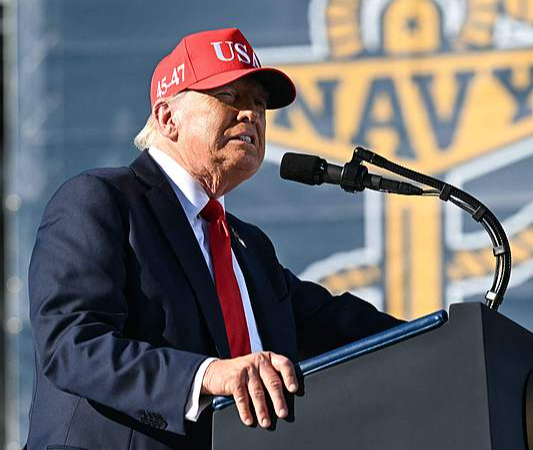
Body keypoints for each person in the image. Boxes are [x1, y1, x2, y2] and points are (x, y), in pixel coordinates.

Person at [26, 28, 403, 450]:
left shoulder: (249, 248)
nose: (251, 114)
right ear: (168, 117)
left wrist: (463, 338)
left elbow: (341, 326)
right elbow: (73, 345)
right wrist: (207, 375)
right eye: (229, 96)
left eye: (259, 103)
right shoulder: (102, 201)